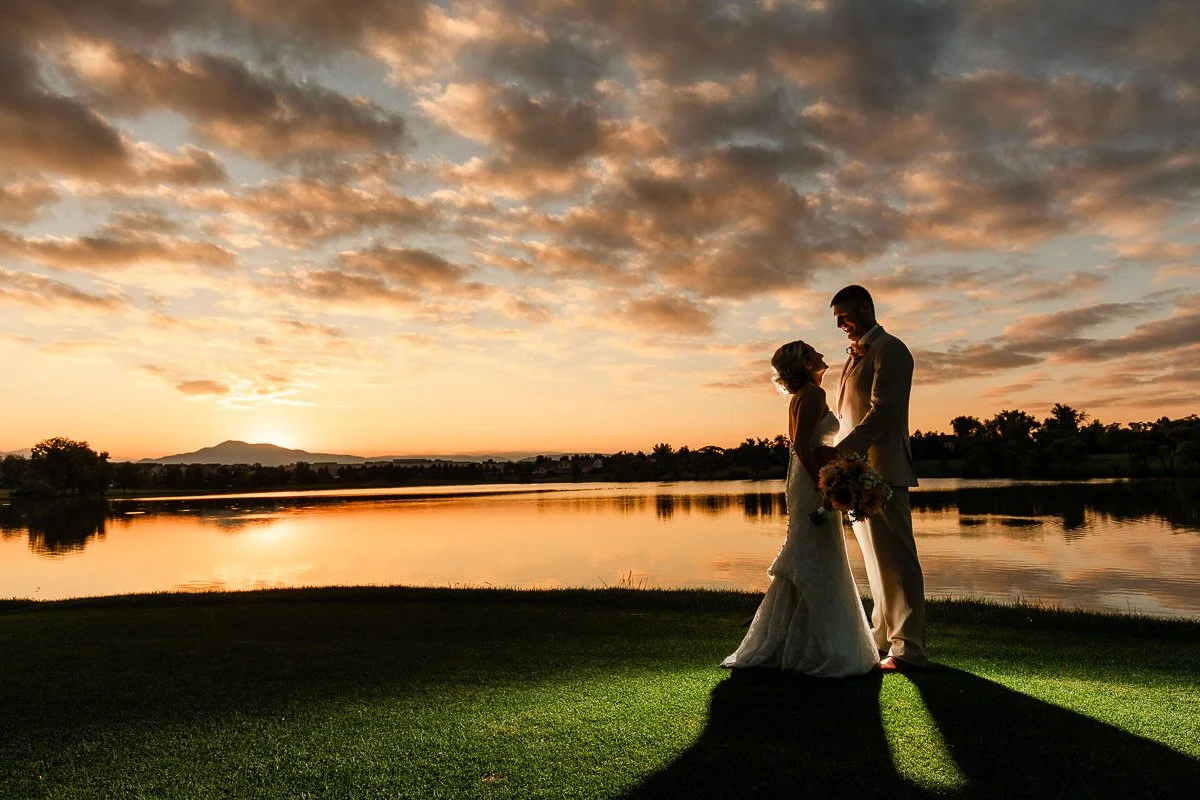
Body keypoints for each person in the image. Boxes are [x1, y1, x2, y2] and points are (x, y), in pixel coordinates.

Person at [722, 339, 879, 677]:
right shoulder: (812, 394)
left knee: (814, 553)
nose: (822, 354)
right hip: (811, 481)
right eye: (814, 352)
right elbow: (803, 448)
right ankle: (826, 647)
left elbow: (801, 447)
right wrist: (825, 486)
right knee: (817, 555)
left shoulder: (803, 395)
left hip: (806, 478)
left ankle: (795, 642)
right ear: (806, 363)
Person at [817, 284, 927, 672]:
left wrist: (840, 451)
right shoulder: (854, 357)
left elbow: (883, 413)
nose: (840, 325)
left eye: (844, 317)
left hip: (884, 472)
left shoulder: (892, 350)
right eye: (836, 320)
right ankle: (882, 639)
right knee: (876, 563)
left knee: (898, 561)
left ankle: (910, 648)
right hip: (855, 476)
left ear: (865, 308)